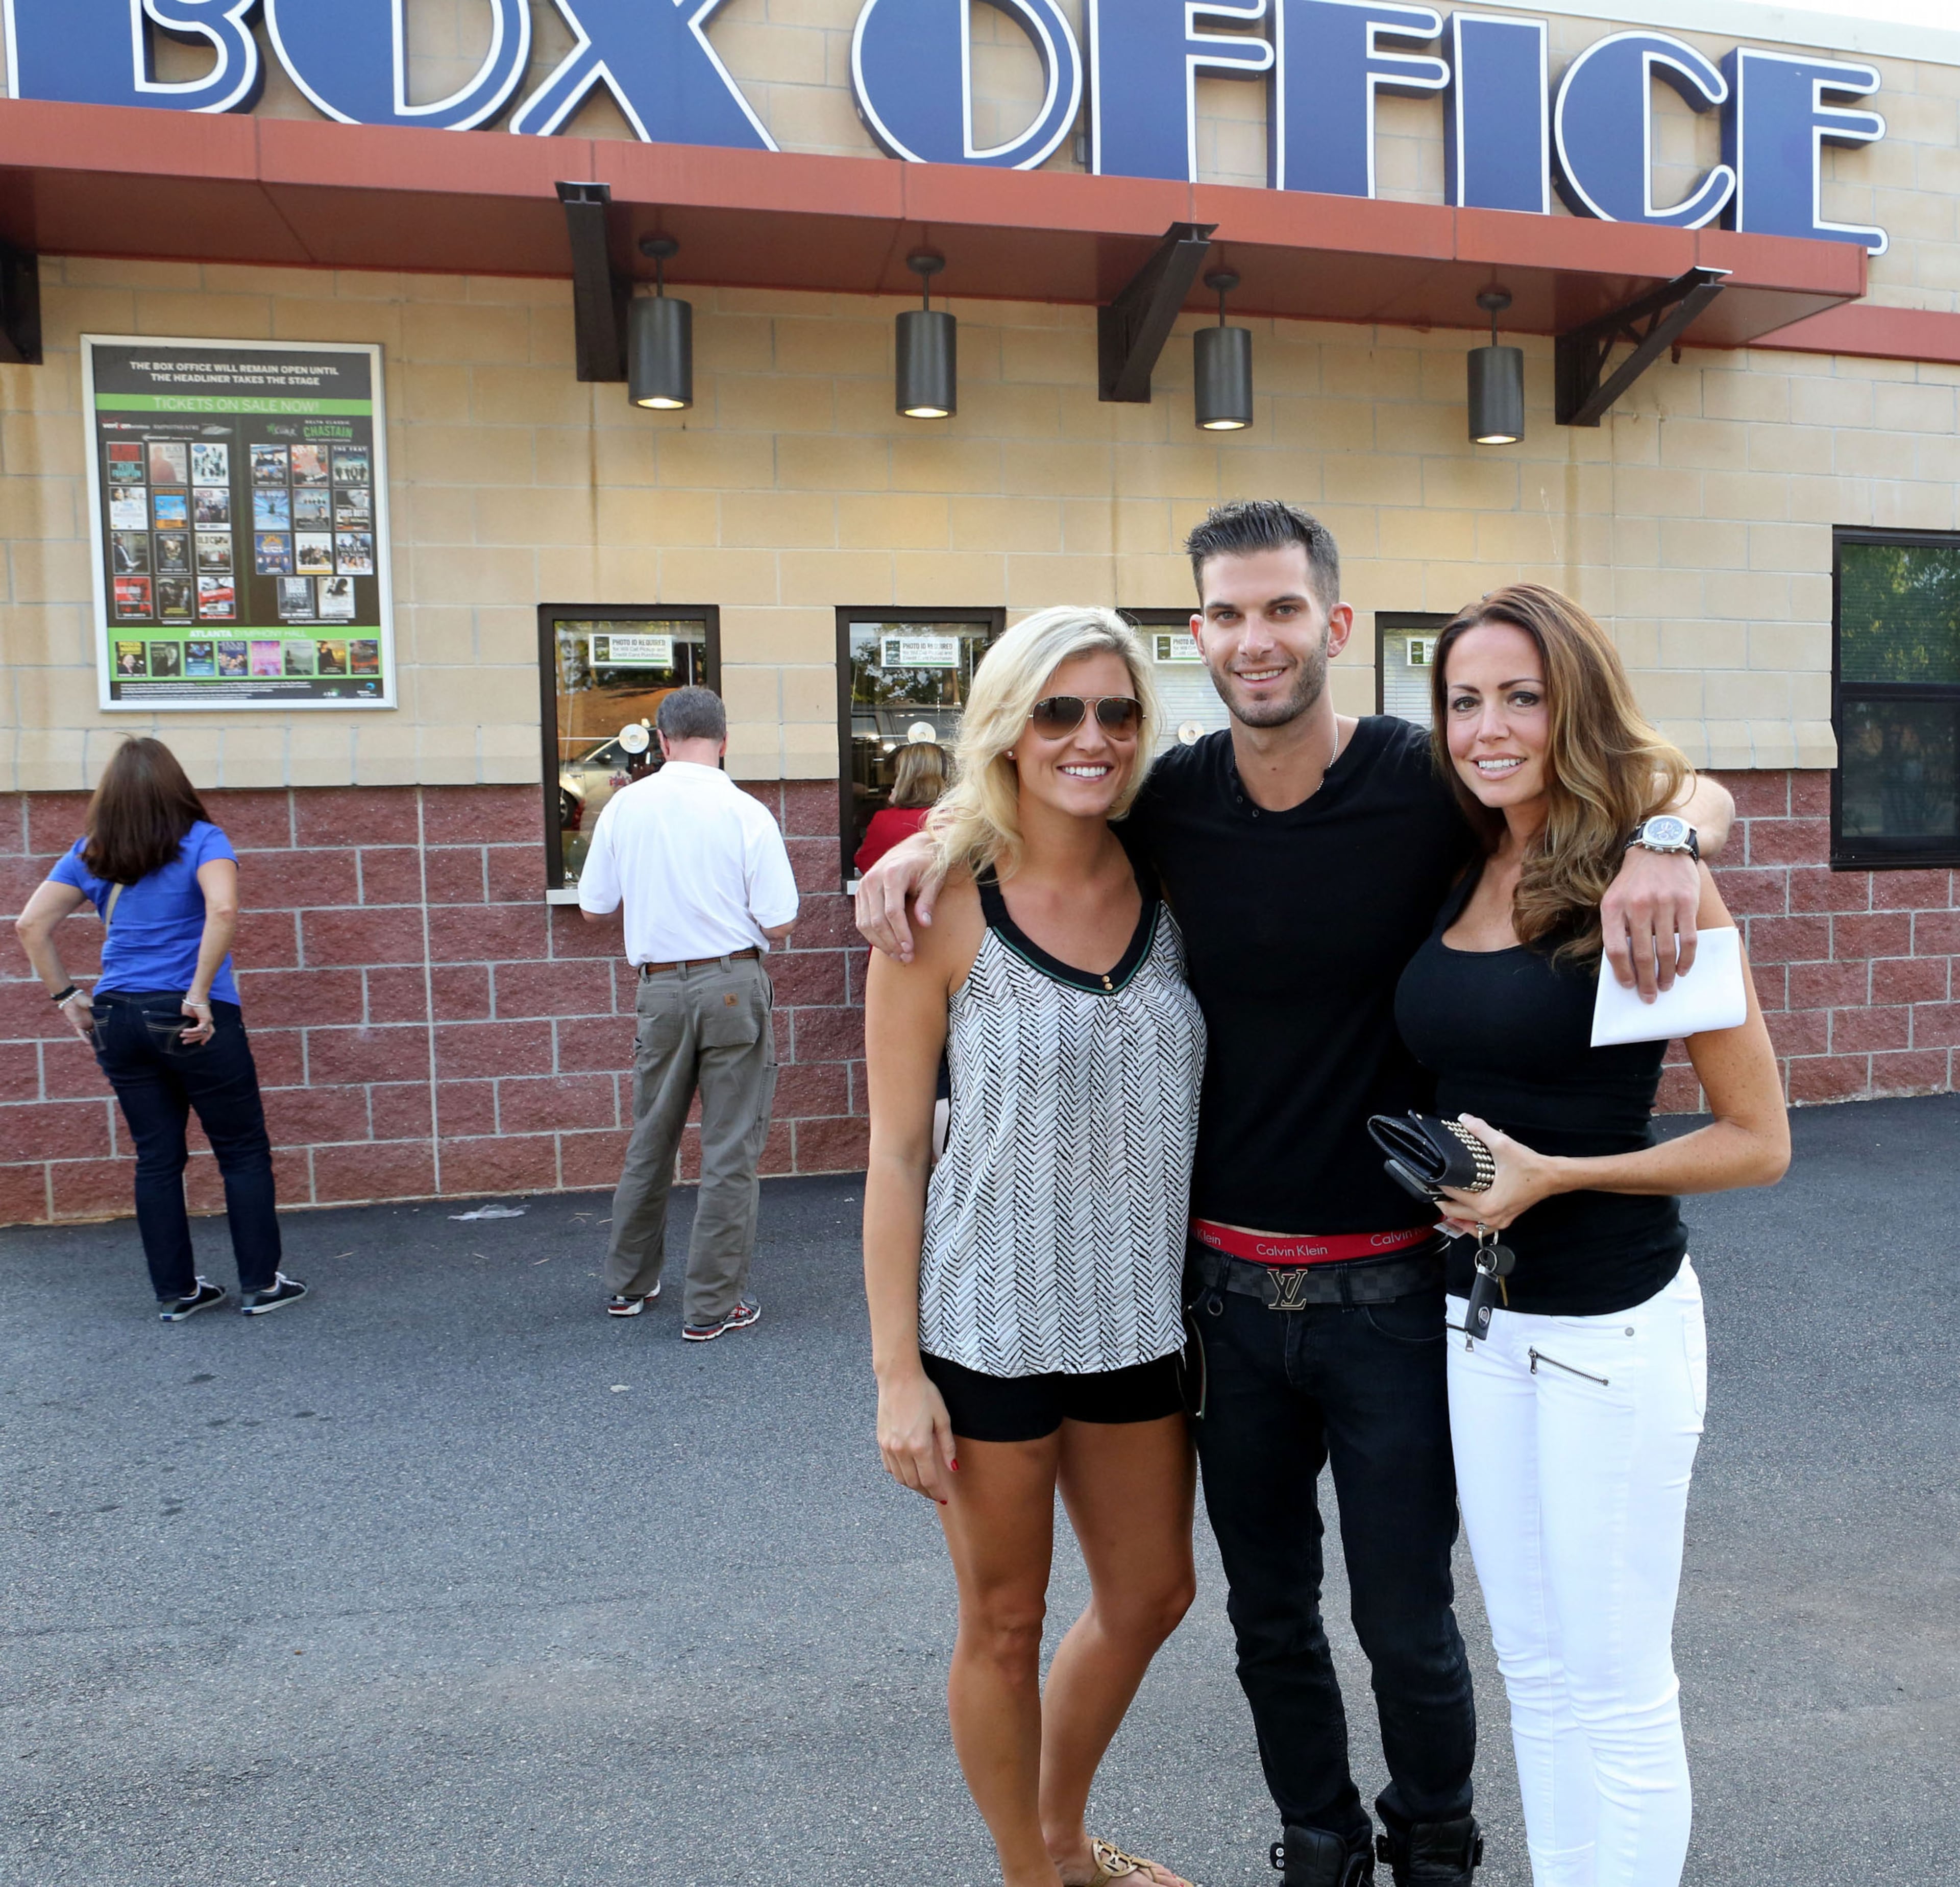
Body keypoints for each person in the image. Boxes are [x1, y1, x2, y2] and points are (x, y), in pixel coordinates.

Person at [857, 502, 1736, 1887]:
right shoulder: (1169, 804)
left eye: (1281, 611)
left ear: (1334, 626)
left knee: (1408, 1623)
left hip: (1396, 1284)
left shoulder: (1421, 778)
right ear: (1197, 635)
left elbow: (1618, 775)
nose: (1253, 639)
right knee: (1268, 1620)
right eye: (1225, 614)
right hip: (1218, 1299)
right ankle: (1311, 1848)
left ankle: (1432, 1849)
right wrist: (926, 845)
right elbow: (1032, 809)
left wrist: (1682, 830)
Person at [1393, 586, 1788, 1887]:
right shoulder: (1463, 860)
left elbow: (1754, 1139)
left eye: (1521, 695)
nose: (1488, 725)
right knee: (1533, 1670)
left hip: (1611, 1333)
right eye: (1463, 699)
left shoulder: (1642, 884)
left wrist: (1551, 1175)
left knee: (1615, 1683)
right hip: (1478, 1323)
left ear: (1573, 704)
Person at [863, 606, 1206, 1887]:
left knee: (1153, 1595)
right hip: (984, 1337)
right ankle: (1032, 1872)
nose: (1090, 738)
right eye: (1057, 712)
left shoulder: (1175, 881)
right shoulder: (938, 909)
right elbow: (896, 1155)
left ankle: (1063, 1834)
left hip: (1137, 1326)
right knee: (1003, 1626)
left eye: (1116, 712)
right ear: (1004, 730)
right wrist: (898, 1375)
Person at [13, 737, 305, 1319]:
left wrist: (68, 998)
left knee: (156, 1157)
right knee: (242, 1151)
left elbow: (29, 924)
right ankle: (260, 1285)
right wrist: (198, 992)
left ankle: (177, 1294)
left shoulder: (92, 852)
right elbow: (223, 910)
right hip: (190, 1015)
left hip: (117, 1017)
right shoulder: (204, 841)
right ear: (177, 787)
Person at [579, 685, 799, 1338]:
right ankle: (711, 1306)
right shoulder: (746, 811)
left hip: (659, 990)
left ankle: (628, 1284)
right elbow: (781, 922)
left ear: (664, 740)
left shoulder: (626, 806)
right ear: (725, 741)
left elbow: (594, 908)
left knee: (652, 1137)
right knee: (730, 1147)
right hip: (732, 982)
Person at [855, 739, 948, 873]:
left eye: (897, 776)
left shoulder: (886, 820)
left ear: (904, 780)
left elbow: (866, 864)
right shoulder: (957, 818)